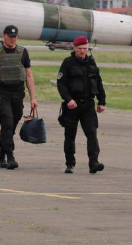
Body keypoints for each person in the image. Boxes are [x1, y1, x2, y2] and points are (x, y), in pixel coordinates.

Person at [0, 25, 38, 170]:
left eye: (15, 36)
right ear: (4, 36)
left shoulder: (23, 52)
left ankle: (1, 155)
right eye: (10, 36)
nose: (13, 39)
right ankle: (10, 156)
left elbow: (29, 75)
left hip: (18, 93)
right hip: (2, 93)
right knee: (7, 122)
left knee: (11, 125)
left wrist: (33, 98)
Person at [57, 36, 106, 174]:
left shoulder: (91, 62)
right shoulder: (68, 63)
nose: (82, 51)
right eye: (79, 49)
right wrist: (68, 99)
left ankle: (94, 163)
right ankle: (70, 164)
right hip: (72, 105)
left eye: (85, 48)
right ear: (74, 48)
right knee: (70, 135)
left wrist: (101, 101)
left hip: (88, 105)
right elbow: (61, 83)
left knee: (92, 134)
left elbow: (98, 82)